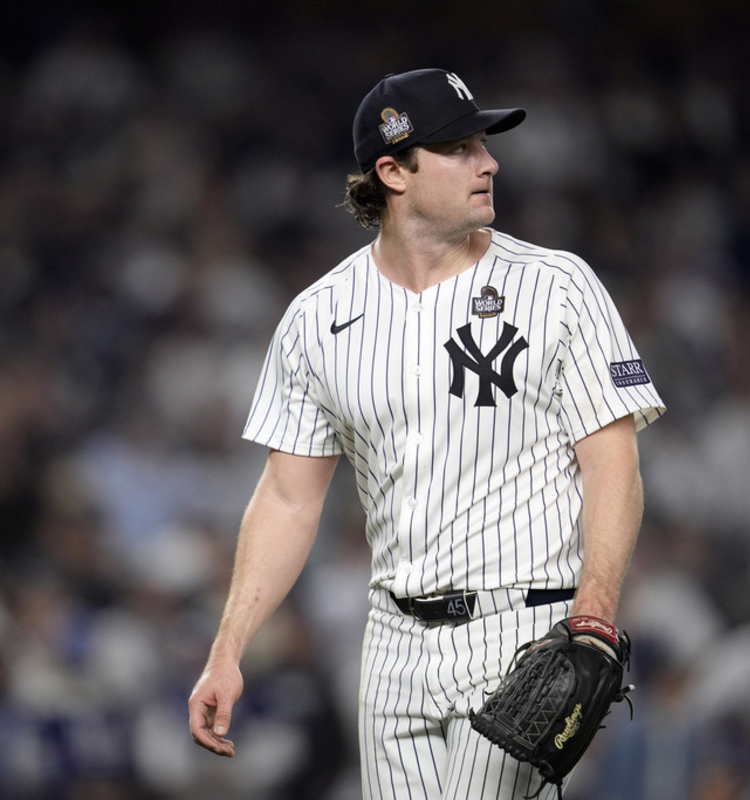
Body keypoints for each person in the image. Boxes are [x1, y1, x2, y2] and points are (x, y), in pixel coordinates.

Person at [188, 67, 665, 799]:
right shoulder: (317, 318)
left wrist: (593, 616)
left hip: (524, 629)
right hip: (390, 647)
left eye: (483, 143)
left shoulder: (558, 286)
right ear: (393, 171)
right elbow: (288, 500)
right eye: (460, 148)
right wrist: (228, 650)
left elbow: (611, 464)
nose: (489, 162)